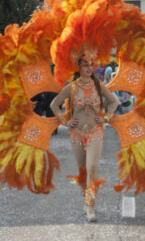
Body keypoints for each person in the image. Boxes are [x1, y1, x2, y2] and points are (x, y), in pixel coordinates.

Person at [50, 56, 119, 222]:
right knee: (82, 169)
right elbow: (54, 104)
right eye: (85, 65)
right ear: (78, 68)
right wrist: (65, 123)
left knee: (92, 166)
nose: (89, 68)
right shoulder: (71, 87)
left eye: (91, 65)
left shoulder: (98, 85)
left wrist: (106, 118)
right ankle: (86, 196)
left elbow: (114, 101)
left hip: (95, 131)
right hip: (76, 133)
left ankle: (90, 205)